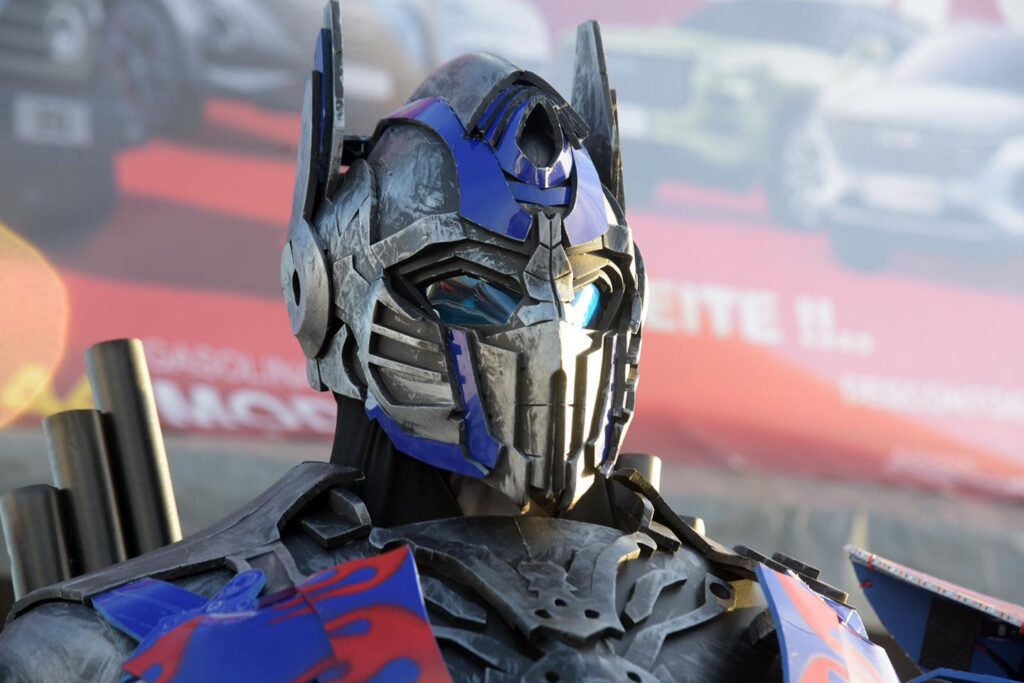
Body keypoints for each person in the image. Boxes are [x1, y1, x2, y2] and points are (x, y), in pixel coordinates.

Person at [0, 4, 891, 681]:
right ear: (324, 296)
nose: (545, 337)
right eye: (472, 289)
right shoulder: (145, 637)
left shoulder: (759, 620)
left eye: (588, 298)